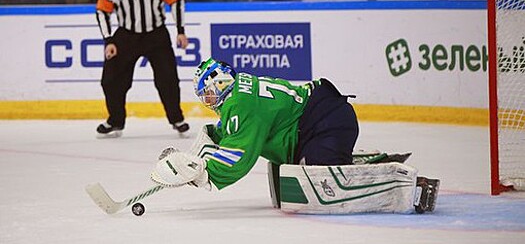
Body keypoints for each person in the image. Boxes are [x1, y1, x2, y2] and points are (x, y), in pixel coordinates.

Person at [150, 58, 440, 214]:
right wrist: (201, 150)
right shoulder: (240, 92)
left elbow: (238, 156)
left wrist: (203, 175)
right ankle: (370, 163)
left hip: (325, 124)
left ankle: (408, 184)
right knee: (308, 176)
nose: (208, 100)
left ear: (221, 83)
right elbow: (233, 134)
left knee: (322, 183)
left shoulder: (239, 103)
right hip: (324, 119)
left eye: (209, 92)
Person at [95, 0, 190, 138]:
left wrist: (180, 30)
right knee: (111, 80)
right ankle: (115, 120)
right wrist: (109, 40)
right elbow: (102, 10)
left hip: (156, 35)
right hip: (126, 36)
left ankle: (177, 119)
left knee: (168, 79)